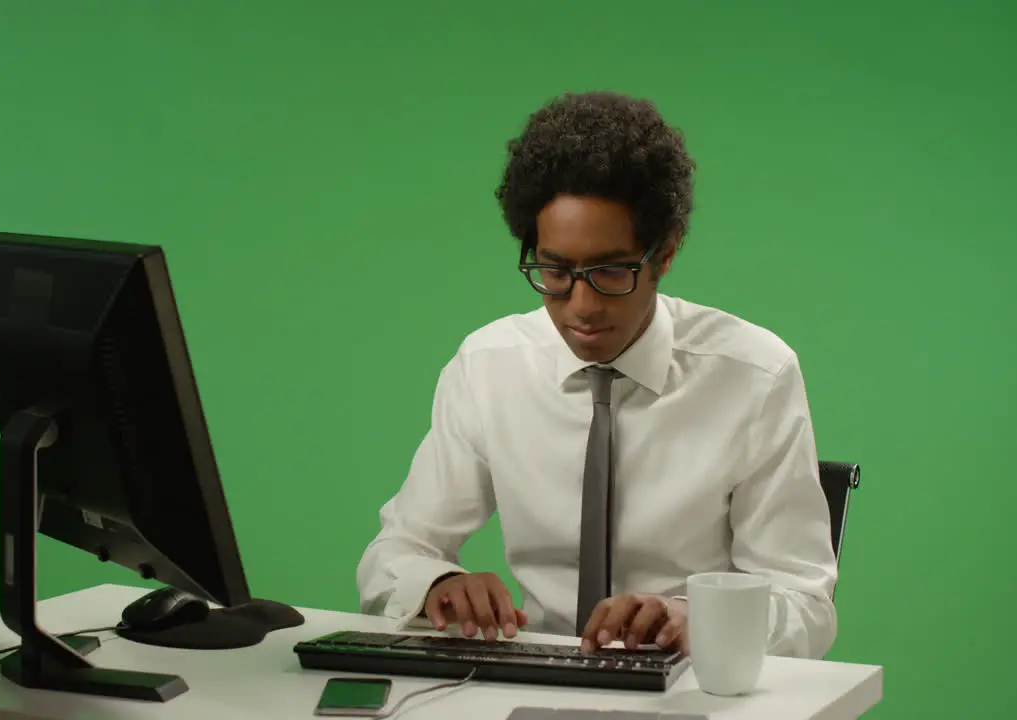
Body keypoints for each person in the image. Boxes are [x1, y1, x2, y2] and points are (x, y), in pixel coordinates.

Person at [355, 91, 838, 660]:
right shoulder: (488, 365)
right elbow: (397, 551)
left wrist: (695, 618)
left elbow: (805, 605)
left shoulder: (755, 376)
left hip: (688, 690)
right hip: (533, 677)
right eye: (556, 270)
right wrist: (436, 583)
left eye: (610, 270)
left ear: (666, 254)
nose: (581, 305)